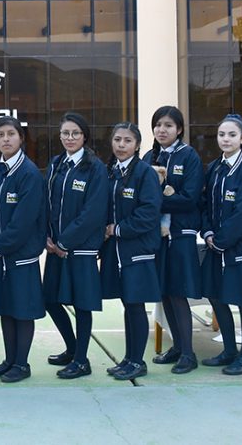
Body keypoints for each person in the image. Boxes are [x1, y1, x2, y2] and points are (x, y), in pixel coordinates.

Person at [42, 113, 109, 380]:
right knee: (50, 300)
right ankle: (72, 348)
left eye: (75, 133)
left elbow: (93, 212)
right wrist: (48, 237)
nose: (70, 138)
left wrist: (64, 241)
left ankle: (82, 361)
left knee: (82, 305)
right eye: (65, 133)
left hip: (80, 249)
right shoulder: (56, 164)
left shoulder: (95, 168)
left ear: (84, 136)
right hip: (55, 249)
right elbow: (47, 203)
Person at [0, 116, 46, 384]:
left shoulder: (29, 173)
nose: (6, 139)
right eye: (1, 135)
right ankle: (9, 360)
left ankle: (22, 363)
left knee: (22, 309)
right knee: (5, 308)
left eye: (11, 134)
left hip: (20, 256)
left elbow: (23, 221)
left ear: (21, 138)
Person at [200, 114, 242, 375]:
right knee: (216, 297)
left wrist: (222, 241)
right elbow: (205, 204)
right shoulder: (214, 168)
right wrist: (208, 233)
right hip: (215, 246)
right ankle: (229, 350)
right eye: (221, 134)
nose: (225, 139)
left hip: (241, 249)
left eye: (231, 135)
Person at [141, 105, 203, 374]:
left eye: (168, 125)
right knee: (164, 292)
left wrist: (156, 201)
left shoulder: (189, 156)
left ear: (179, 129)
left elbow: (190, 198)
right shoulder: (148, 157)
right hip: (156, 236)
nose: (161, 130)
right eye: (158, 125)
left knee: (177, 293)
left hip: (180, 235)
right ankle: (177, 346)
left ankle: (189, 354)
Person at [100, 122, 162, 381]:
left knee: (136, 305)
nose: (121, 145)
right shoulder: (111, 171)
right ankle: (129, 358)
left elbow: (149, 213)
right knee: (127, 304)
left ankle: (138, 361)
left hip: (137, 250)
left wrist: (118, 229)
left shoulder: (145, 173)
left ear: (137, 145)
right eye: (117, 140)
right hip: (116, 251)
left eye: (127, 140)